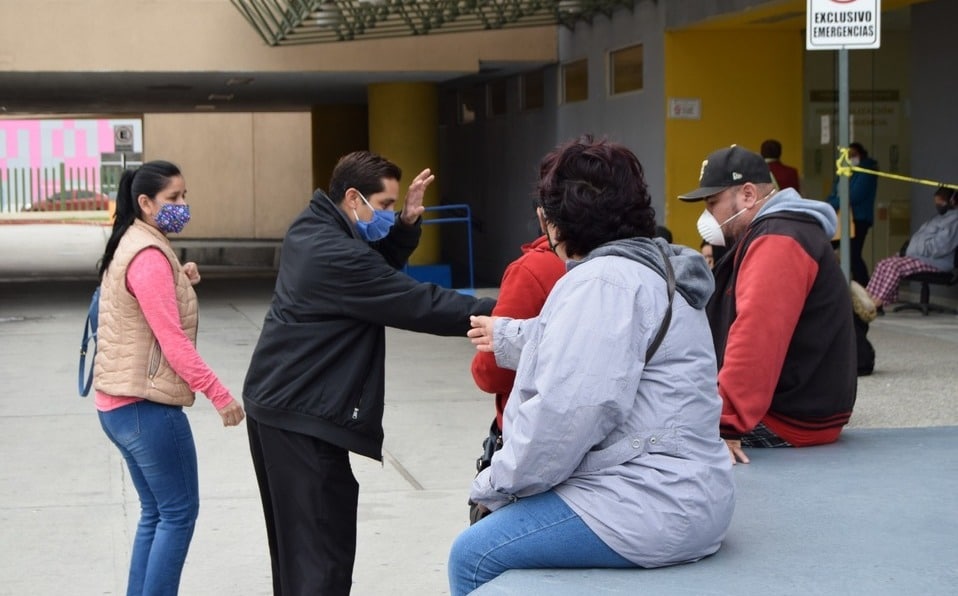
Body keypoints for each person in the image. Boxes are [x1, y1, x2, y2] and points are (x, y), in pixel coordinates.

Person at [449, 136, 735, 594]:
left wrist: (493, 484)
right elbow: (595, 347)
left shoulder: (601, 282)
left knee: (473, 554)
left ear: (557, 222)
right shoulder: (653, 266)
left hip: (651, 502)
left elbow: (564, 419)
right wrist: (506, 336)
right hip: (686, 488)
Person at [242, 150, 495, 595]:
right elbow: (417, 301)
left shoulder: (312, 226)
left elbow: (372, 271)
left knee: (299, 554)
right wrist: (506, 315)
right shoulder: (335, 254)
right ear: (354, 197)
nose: (387, 215)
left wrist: (403, 226)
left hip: (282, 402)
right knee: (320, 558)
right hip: (302, 414)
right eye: (383, 207)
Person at [93, 160, 245, 596]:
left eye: (184, 195)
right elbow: (173, 342)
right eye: (173, 198)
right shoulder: (149, 255)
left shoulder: (131, 241)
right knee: (178, 514)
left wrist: (181, 276)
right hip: (146, 408)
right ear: (145, 202)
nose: (183, 205)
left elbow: (136, 306)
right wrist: (218, 394)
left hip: (117, 404)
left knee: (156, 513)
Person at [680, 145, 857, 463]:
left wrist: (725, 425)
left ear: (747, 195)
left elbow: (757, 334)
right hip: (798, 409)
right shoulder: (781, 231)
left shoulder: (778, 240)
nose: (707, 216)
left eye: (712, 203)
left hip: (786, 420)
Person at [468, 211, 565, 523]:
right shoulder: (636, 269)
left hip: (532, 443)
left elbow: (490, 371)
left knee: (472, 558)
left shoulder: (533, 269)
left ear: (541, 214)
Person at [850, 186, 958, 321]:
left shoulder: (954, 221)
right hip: (920, 256)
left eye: (941, 203)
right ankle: (867, 298)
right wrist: (908, 251)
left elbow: (941, 247)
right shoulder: (939, 218)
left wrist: (914, 250)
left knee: (894, 267)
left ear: (952, 201)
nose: (938, 205)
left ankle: (876, 303)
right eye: (936, 202)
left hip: (935, 262)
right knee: (884, 263)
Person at [827, 141, 879, 286]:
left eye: (853, 155)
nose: (850, 158)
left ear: (861, 155)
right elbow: (835, 192)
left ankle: (864, 286)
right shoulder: (844, 171)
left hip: (858, 218)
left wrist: (832, 203)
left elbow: (853, 196)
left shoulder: (866, 171)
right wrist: (829, 204)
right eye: (848, 155)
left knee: (853, 254)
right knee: (828, 248)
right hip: (841, 218)